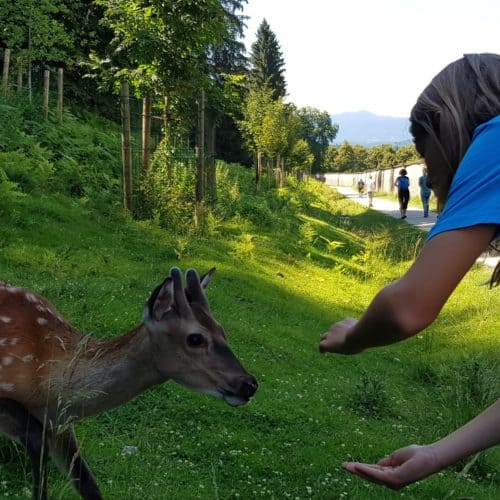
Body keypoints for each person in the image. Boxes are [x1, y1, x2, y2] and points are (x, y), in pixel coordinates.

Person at [319, 53, 500, 490]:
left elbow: (407, 309)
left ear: (448, 126)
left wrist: (353, 336)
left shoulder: (495, 139)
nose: (431, 171)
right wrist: (436, 455)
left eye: (424, 151)